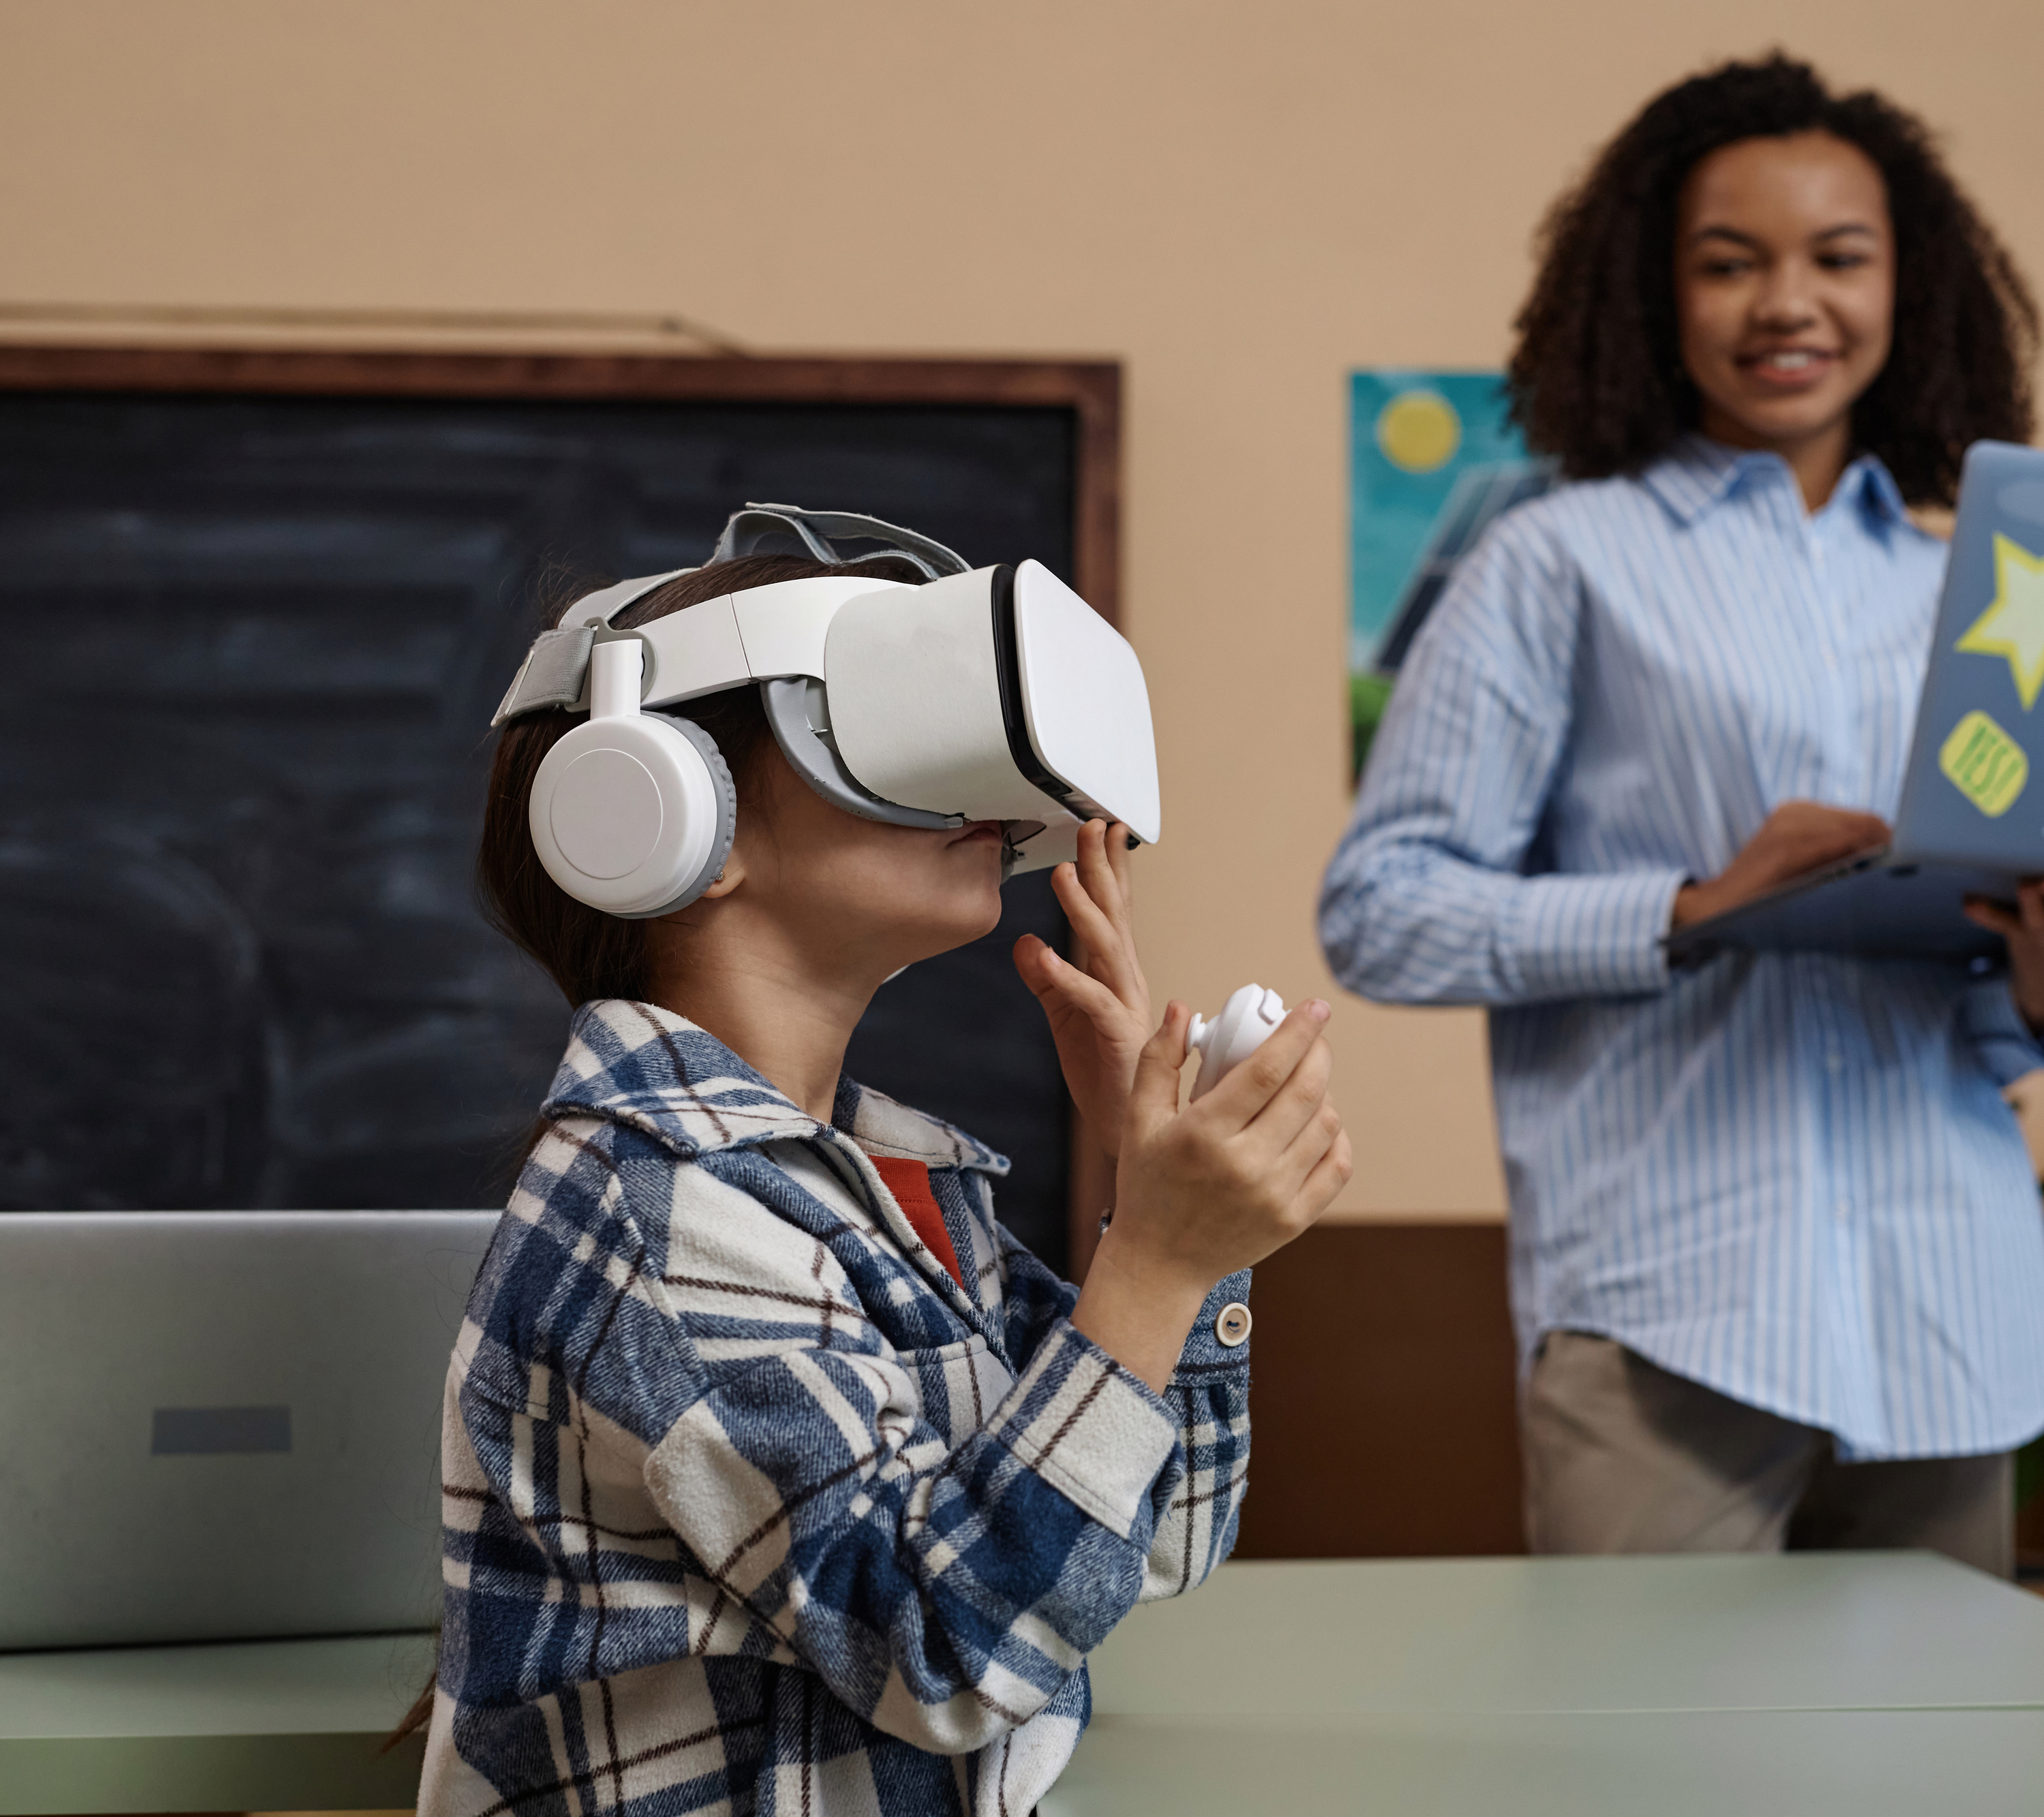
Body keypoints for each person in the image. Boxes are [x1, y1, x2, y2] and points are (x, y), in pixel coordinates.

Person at [1319, 55, 2044, 1572]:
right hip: (1669, 1314)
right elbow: (1379, 909)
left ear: (1906, 288)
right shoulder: (1555, 562)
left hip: (1954, 1316)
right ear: (1651, 295)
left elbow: (1983, 990)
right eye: (1727, 263)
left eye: (1836, 258)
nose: (1785, 303)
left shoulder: (1982, 593)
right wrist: (1690, 907)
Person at [421, 548, 1352, 1817]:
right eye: (859, 730)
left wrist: (1160, 1201)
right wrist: (1158, 1262)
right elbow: (947, 1652)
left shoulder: (892, 1187)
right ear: (667, 809)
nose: (971, 789)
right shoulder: (663, 1202)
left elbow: (1153, 1540)